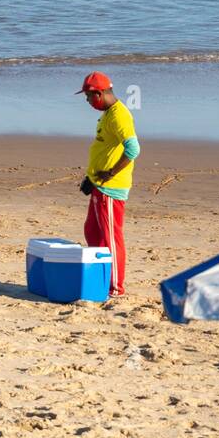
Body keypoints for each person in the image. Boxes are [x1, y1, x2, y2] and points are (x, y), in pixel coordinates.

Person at [77, 71, 139, 298]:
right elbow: (105, 150)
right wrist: (91, 178)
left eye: (88, 97)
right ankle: (99, 278)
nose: (87, 102)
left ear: (99, 94)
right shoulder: (107, 113)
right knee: (92, 231)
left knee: (111, 237)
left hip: (111, 189)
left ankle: (115, 288)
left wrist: (110, 172)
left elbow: (133, 150)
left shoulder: (119, 116)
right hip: (99, 185)